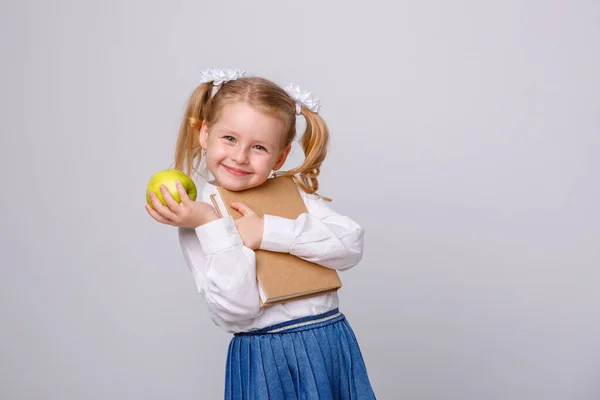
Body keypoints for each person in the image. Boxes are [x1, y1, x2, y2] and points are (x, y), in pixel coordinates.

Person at [145, 68, 376, 399]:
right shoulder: (199, 216)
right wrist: (212, 224)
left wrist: (267, 231)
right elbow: (236, 311)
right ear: (205, 135)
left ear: (280, 156)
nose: (240, 156)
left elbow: (351, 245)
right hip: (266, 358)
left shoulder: (294, 196)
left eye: (259, 147)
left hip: (330, 342)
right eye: (229, 138)